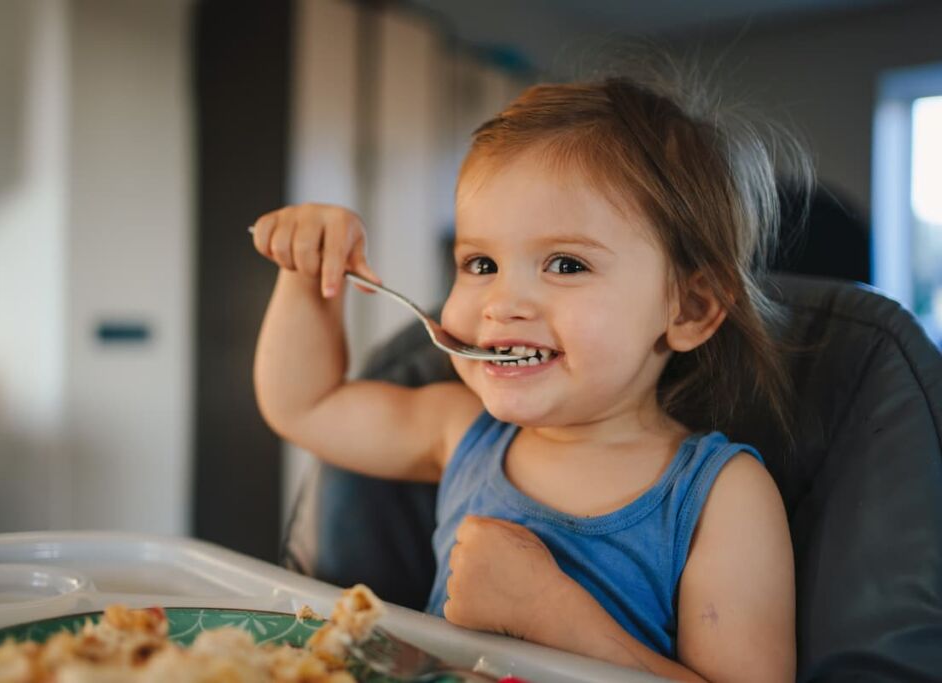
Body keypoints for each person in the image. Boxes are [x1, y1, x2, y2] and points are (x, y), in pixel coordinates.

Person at [252, 75, 802, 682]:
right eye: (479, 263)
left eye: (566, 264)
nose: (502, 302)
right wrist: (307, 275)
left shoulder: (721, 497)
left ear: (689, 310)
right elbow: (306, 405)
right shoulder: (461, 430)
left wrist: (552, 616)